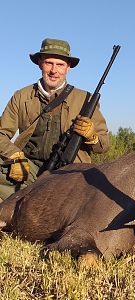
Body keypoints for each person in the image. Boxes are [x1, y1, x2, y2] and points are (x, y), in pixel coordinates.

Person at [0, 38, 110, 201]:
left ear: (68, 68)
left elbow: (104, 145)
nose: (54, 70)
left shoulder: (85, 99)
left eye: (60, 65)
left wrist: (92, 136)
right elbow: (2, 134)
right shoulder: (21, 96)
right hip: (28, 168)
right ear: (39, 63)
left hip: (69, 174)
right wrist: (15, 155)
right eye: (49, 63)